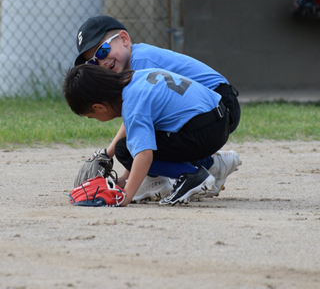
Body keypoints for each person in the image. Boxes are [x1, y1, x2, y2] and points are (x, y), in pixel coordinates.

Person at [73, 16, 241, 201]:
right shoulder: (133, 65)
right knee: (141, 138)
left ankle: (205, 168)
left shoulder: (141, 62)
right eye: (93, 63)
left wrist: (108, 154)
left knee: (132, 146)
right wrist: (123, 177)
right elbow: (138, 126)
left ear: (124, 39)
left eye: (103, 51)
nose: (102, 63)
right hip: (210, 113)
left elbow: (137, 129)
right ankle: (204, 167)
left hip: (220, 104)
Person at [64, 65, 231, 207]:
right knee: (134, 143)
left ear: (99, 107)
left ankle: (192, 175)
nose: (94, 119)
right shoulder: (134, 79)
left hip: (204, 132)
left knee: (124, 149)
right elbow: (137, 133)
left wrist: (125, 196)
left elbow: (144, 155)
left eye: (90, 116)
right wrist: (123, 180)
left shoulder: (132, 104)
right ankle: (208, 164)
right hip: (219, 119)